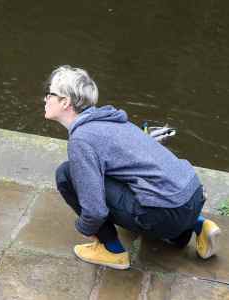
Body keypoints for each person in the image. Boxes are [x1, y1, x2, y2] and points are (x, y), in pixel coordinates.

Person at [44, 65, 221, 270]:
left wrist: (84, 228)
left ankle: (112, 250)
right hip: (194, 196)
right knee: (120, 179)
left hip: (167, 214)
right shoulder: (112, 119)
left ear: (65, 102)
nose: (45, 99)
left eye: (50, 94)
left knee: (66, 174)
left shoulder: (82, 139)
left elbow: (95, 211)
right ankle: (198, 225)